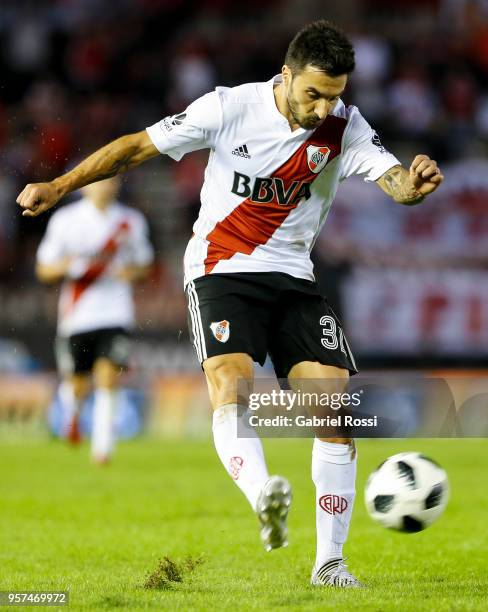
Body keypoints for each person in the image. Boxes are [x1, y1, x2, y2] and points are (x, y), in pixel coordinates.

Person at [17, 20, 443, 586]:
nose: (322, 109)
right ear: (286, 75)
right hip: (221, 269)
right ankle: (263, 491)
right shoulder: (228, 108)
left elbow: (392, 180)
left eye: (334, 96)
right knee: (230, 381)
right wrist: (59, 186)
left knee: (334, 413)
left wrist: (412, 184)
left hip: (293, 277)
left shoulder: (344, 125)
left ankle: (330, 564)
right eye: (312, 93)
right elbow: (135, 148)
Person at [35, 177, 154, 464]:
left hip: (115, 312)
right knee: (76, 382)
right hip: (77, 315)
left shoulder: (131, 221)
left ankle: (102, 450)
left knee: (108, 376)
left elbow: (145, 265)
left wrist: (131, 273)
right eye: (99, 181)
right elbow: (44, 270)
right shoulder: (65, 220)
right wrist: (66, 266)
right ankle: (73, 415)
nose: (104, 186)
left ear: (117, 185)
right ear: (85, 185)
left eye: (110, 180)